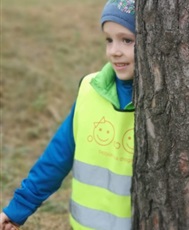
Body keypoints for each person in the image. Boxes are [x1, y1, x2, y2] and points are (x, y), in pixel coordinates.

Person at [0, 0, 136, 229]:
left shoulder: (162, 107)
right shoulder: (89, 91)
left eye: (127, 40)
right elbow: (57, 157)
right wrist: (18, 208)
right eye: (109, 40)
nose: (114, 51)